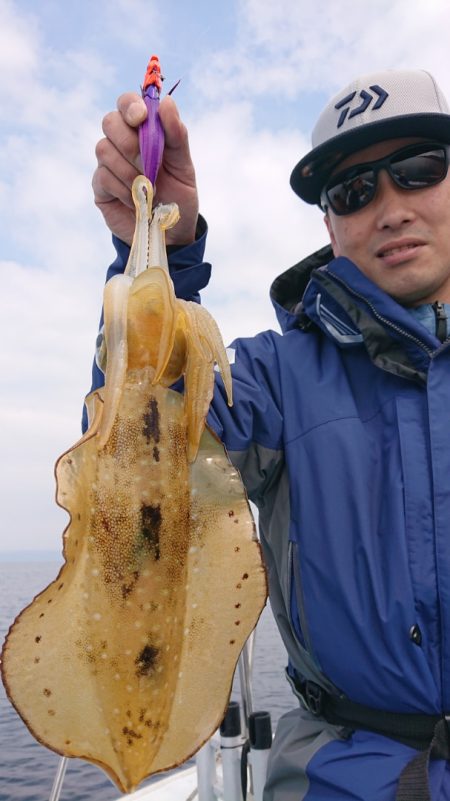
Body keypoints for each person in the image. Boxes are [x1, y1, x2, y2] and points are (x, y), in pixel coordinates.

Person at [91, 69, 450, 800]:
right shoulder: (271, 378)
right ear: (329, 224)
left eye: (418, 171)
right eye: (354, 191)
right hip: (348, 776)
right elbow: (139, 456)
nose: (389, 208)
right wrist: (162, 252)